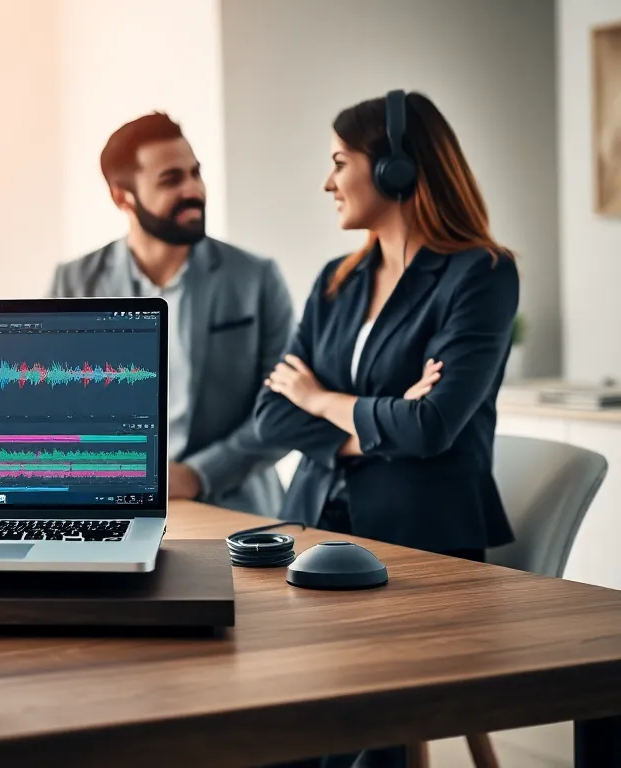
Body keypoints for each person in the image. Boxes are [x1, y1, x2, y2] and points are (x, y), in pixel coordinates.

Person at [253, 90, 518, 768]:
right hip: (310, 528)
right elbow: (271, 414)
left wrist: (321, 396)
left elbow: (432, 426)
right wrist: (376, 417)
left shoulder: (480, 275)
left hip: (418, 543)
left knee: (341, 729)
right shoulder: (335, 283)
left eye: (340, 161)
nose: (327, 181)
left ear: (396, 169)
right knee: (248, 705)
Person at [49, 112, 294, 517]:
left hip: (237, 511)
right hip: (110, 506)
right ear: (121, 196)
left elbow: (286, 408)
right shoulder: (73, 283)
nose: (193, 190)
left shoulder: (256, 278)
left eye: (195, 174)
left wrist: (196, 474)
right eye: (171, 179)